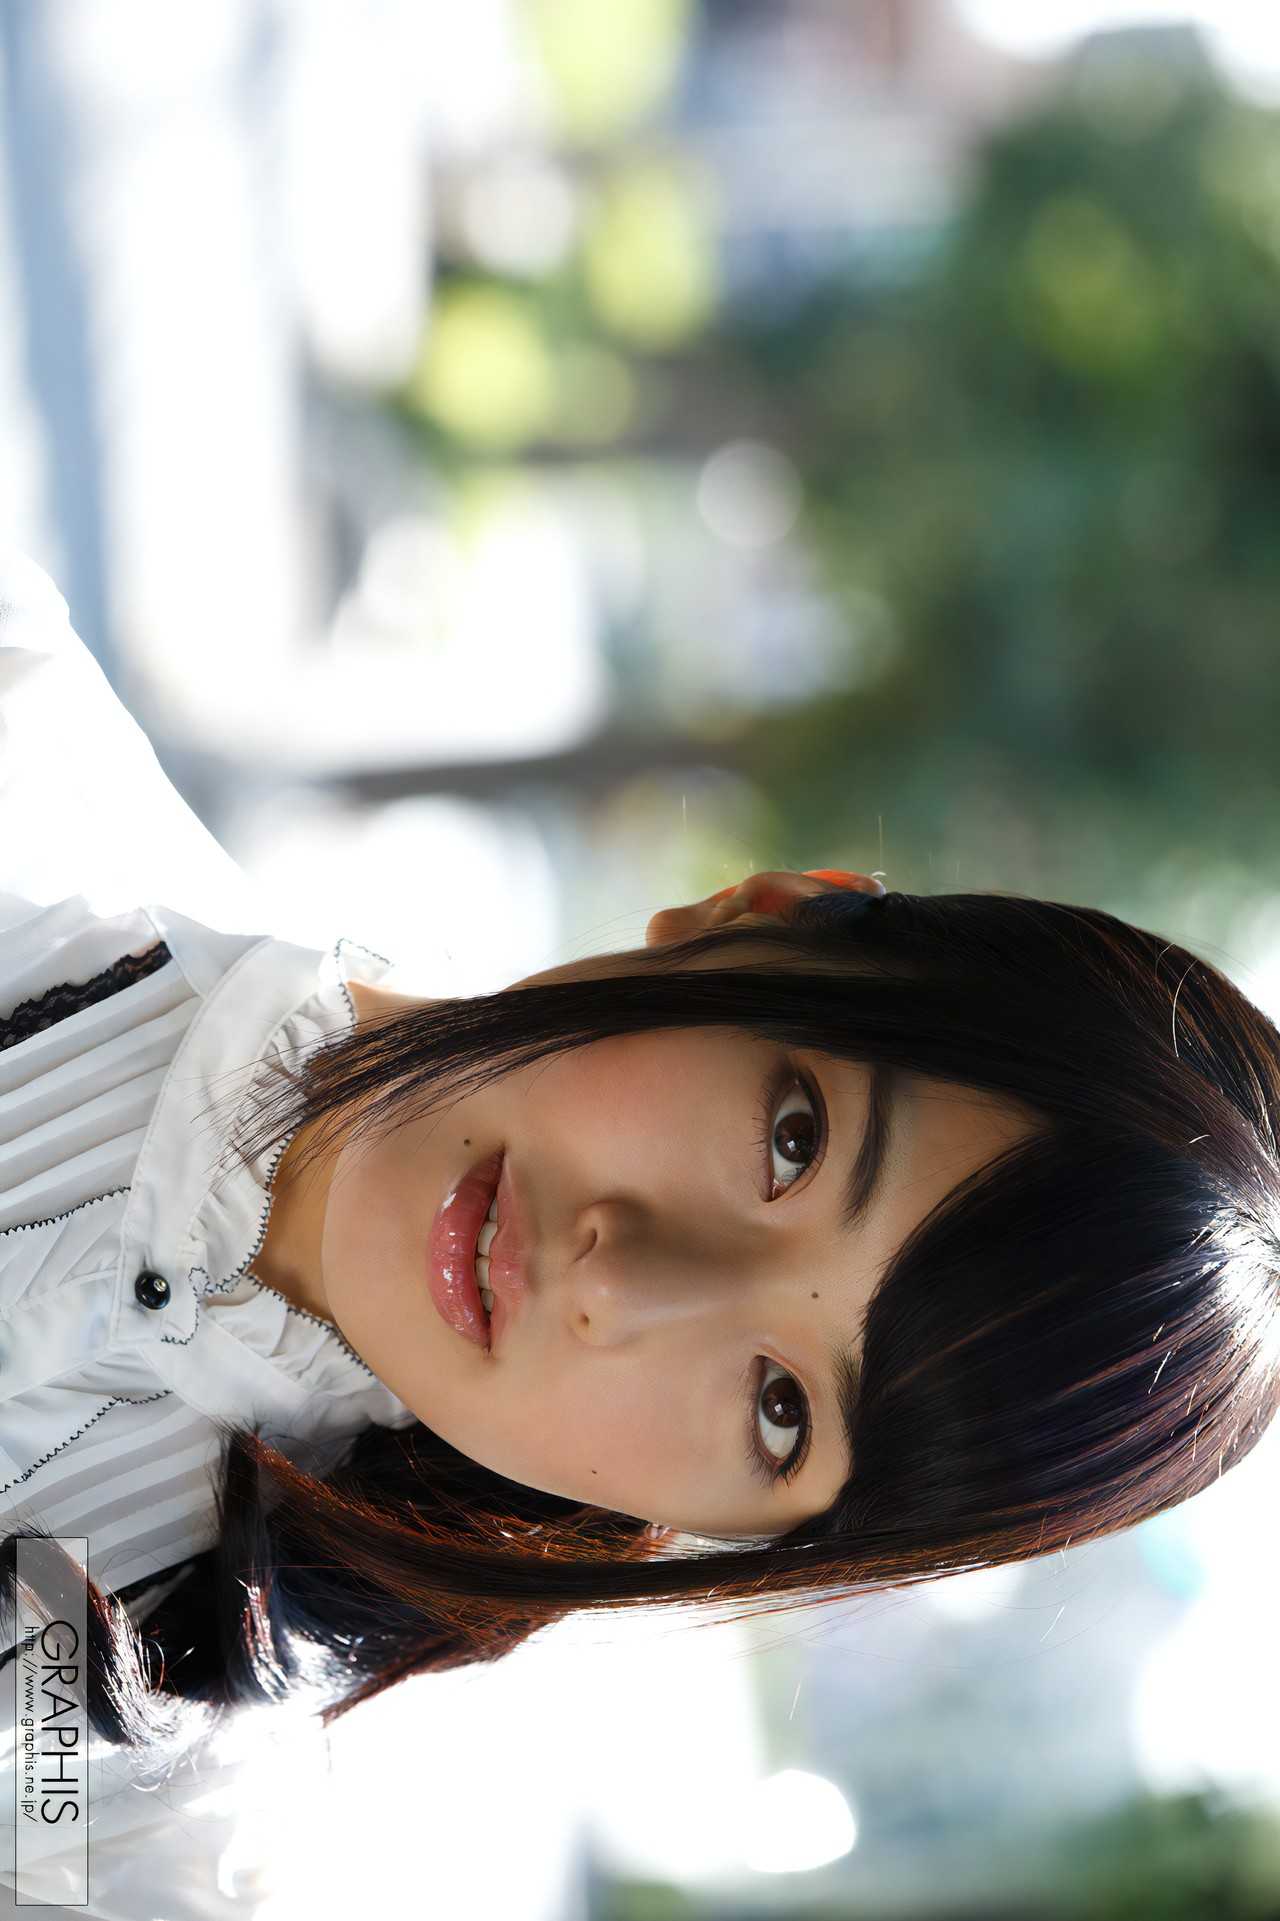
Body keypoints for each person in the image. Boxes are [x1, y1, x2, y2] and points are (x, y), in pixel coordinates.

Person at [3, 547, 1279, 1912]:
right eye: (794, 1141)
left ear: (734, 1528)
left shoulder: (116, 1828)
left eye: (781, 1411)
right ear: (759, 914)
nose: (619, 1283)